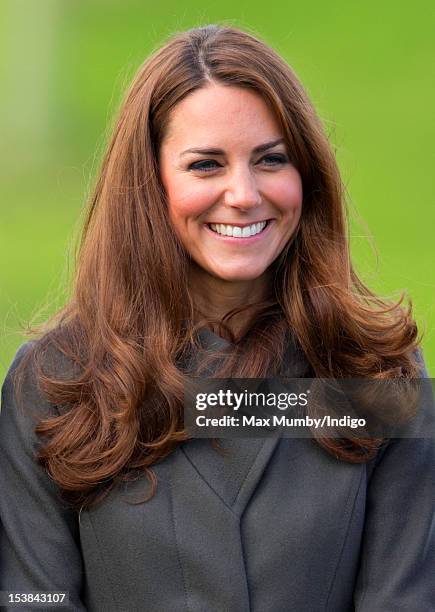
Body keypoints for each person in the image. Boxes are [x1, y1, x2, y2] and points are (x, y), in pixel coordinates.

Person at [0, 24, 433, 612]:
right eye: (206, 165)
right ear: (148, 184)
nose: (244, 193)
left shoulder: (377, 375)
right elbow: (34, 598)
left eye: (271, 159)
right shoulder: (53, 384)